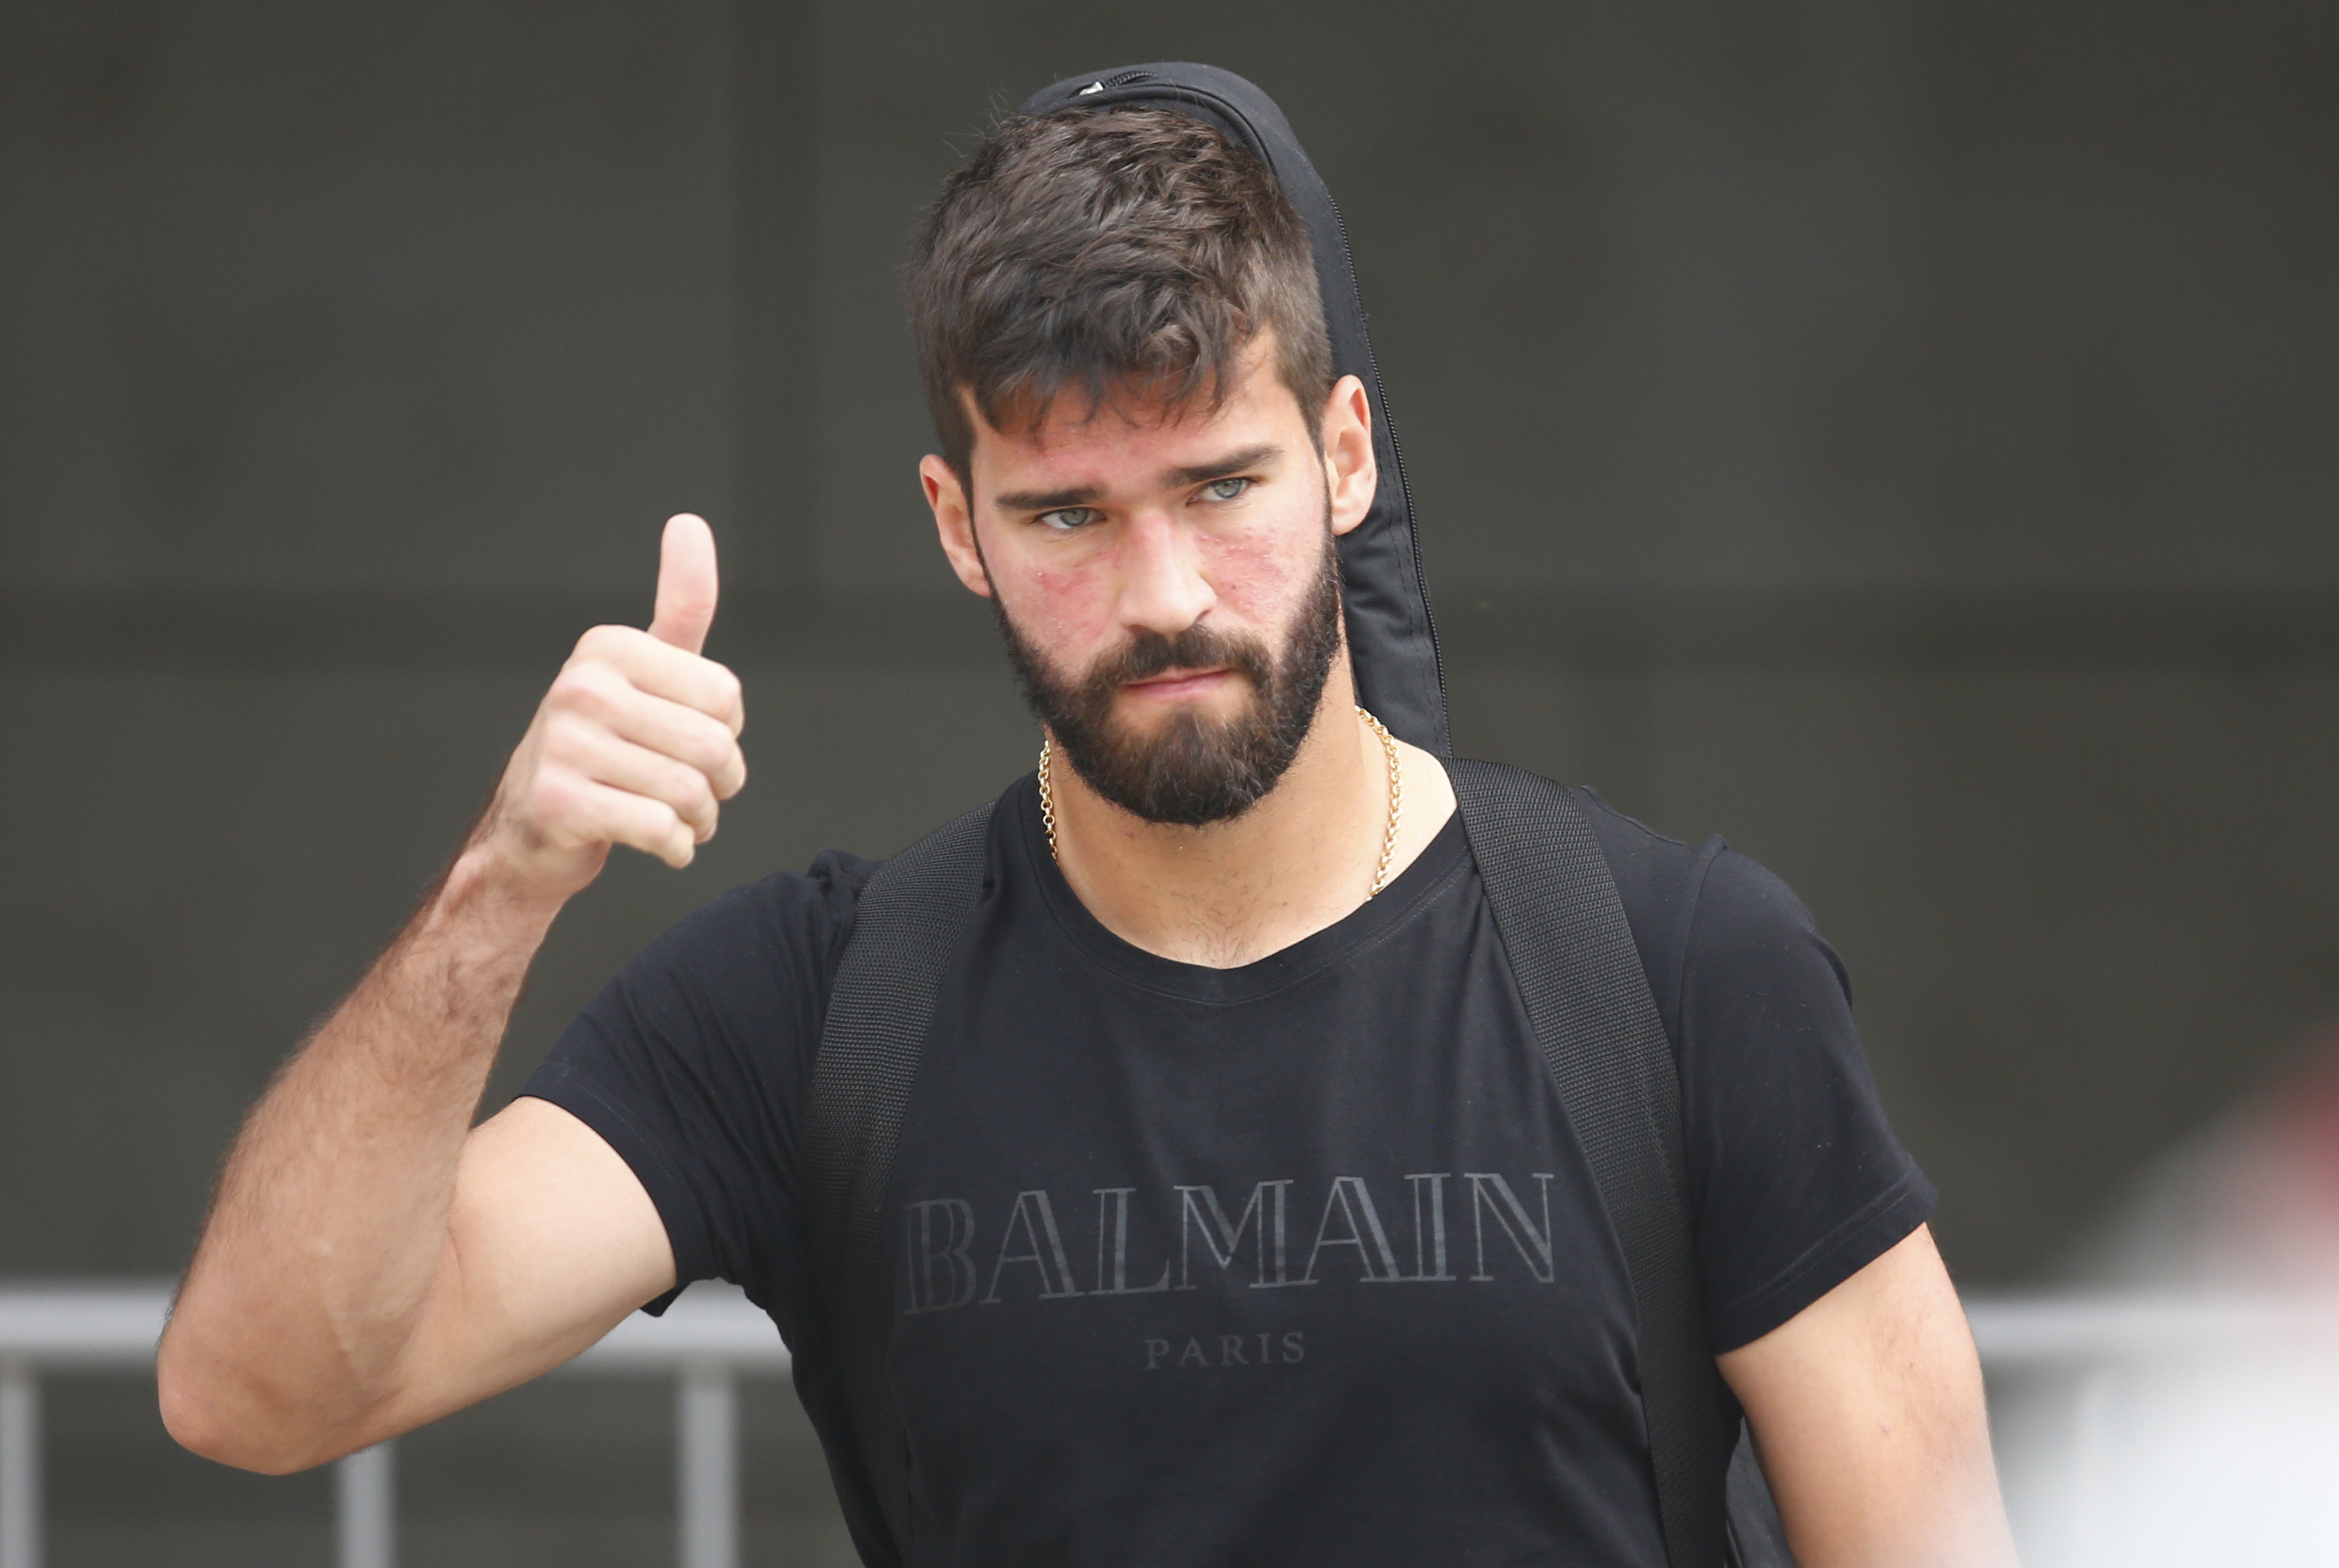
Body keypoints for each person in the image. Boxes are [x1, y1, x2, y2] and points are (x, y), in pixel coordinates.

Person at [160, 68, 2014, 1568]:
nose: (1166, 593)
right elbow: (258, 1390)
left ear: (1349, 455)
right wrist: (503, 884)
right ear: (957, 524)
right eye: (1067, 515)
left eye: (1222, 486)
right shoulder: (823, 1010)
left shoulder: (1676, 972)